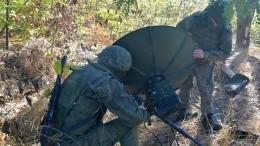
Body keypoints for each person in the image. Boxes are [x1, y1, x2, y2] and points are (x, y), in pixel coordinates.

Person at [46, 45, 148, 146]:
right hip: (73, 142)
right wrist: (142, 106)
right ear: (121, 69)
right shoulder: (106, 82)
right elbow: (136, 118)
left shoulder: (80, 71)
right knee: (128, 124)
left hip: (52, 140)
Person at [176, 0, 232, 131]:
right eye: (214, 20)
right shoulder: (197, 18)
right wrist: (185, 45)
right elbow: (178, 31)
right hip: (187, 59)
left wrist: (205, 54)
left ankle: (207, 117)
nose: (215, 24)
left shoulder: (225, 28)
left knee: (206, 90)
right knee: (184, 86)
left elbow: (225, 53)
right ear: (209, 13)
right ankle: (182, 110)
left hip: (205, 62)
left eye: (218, 22)